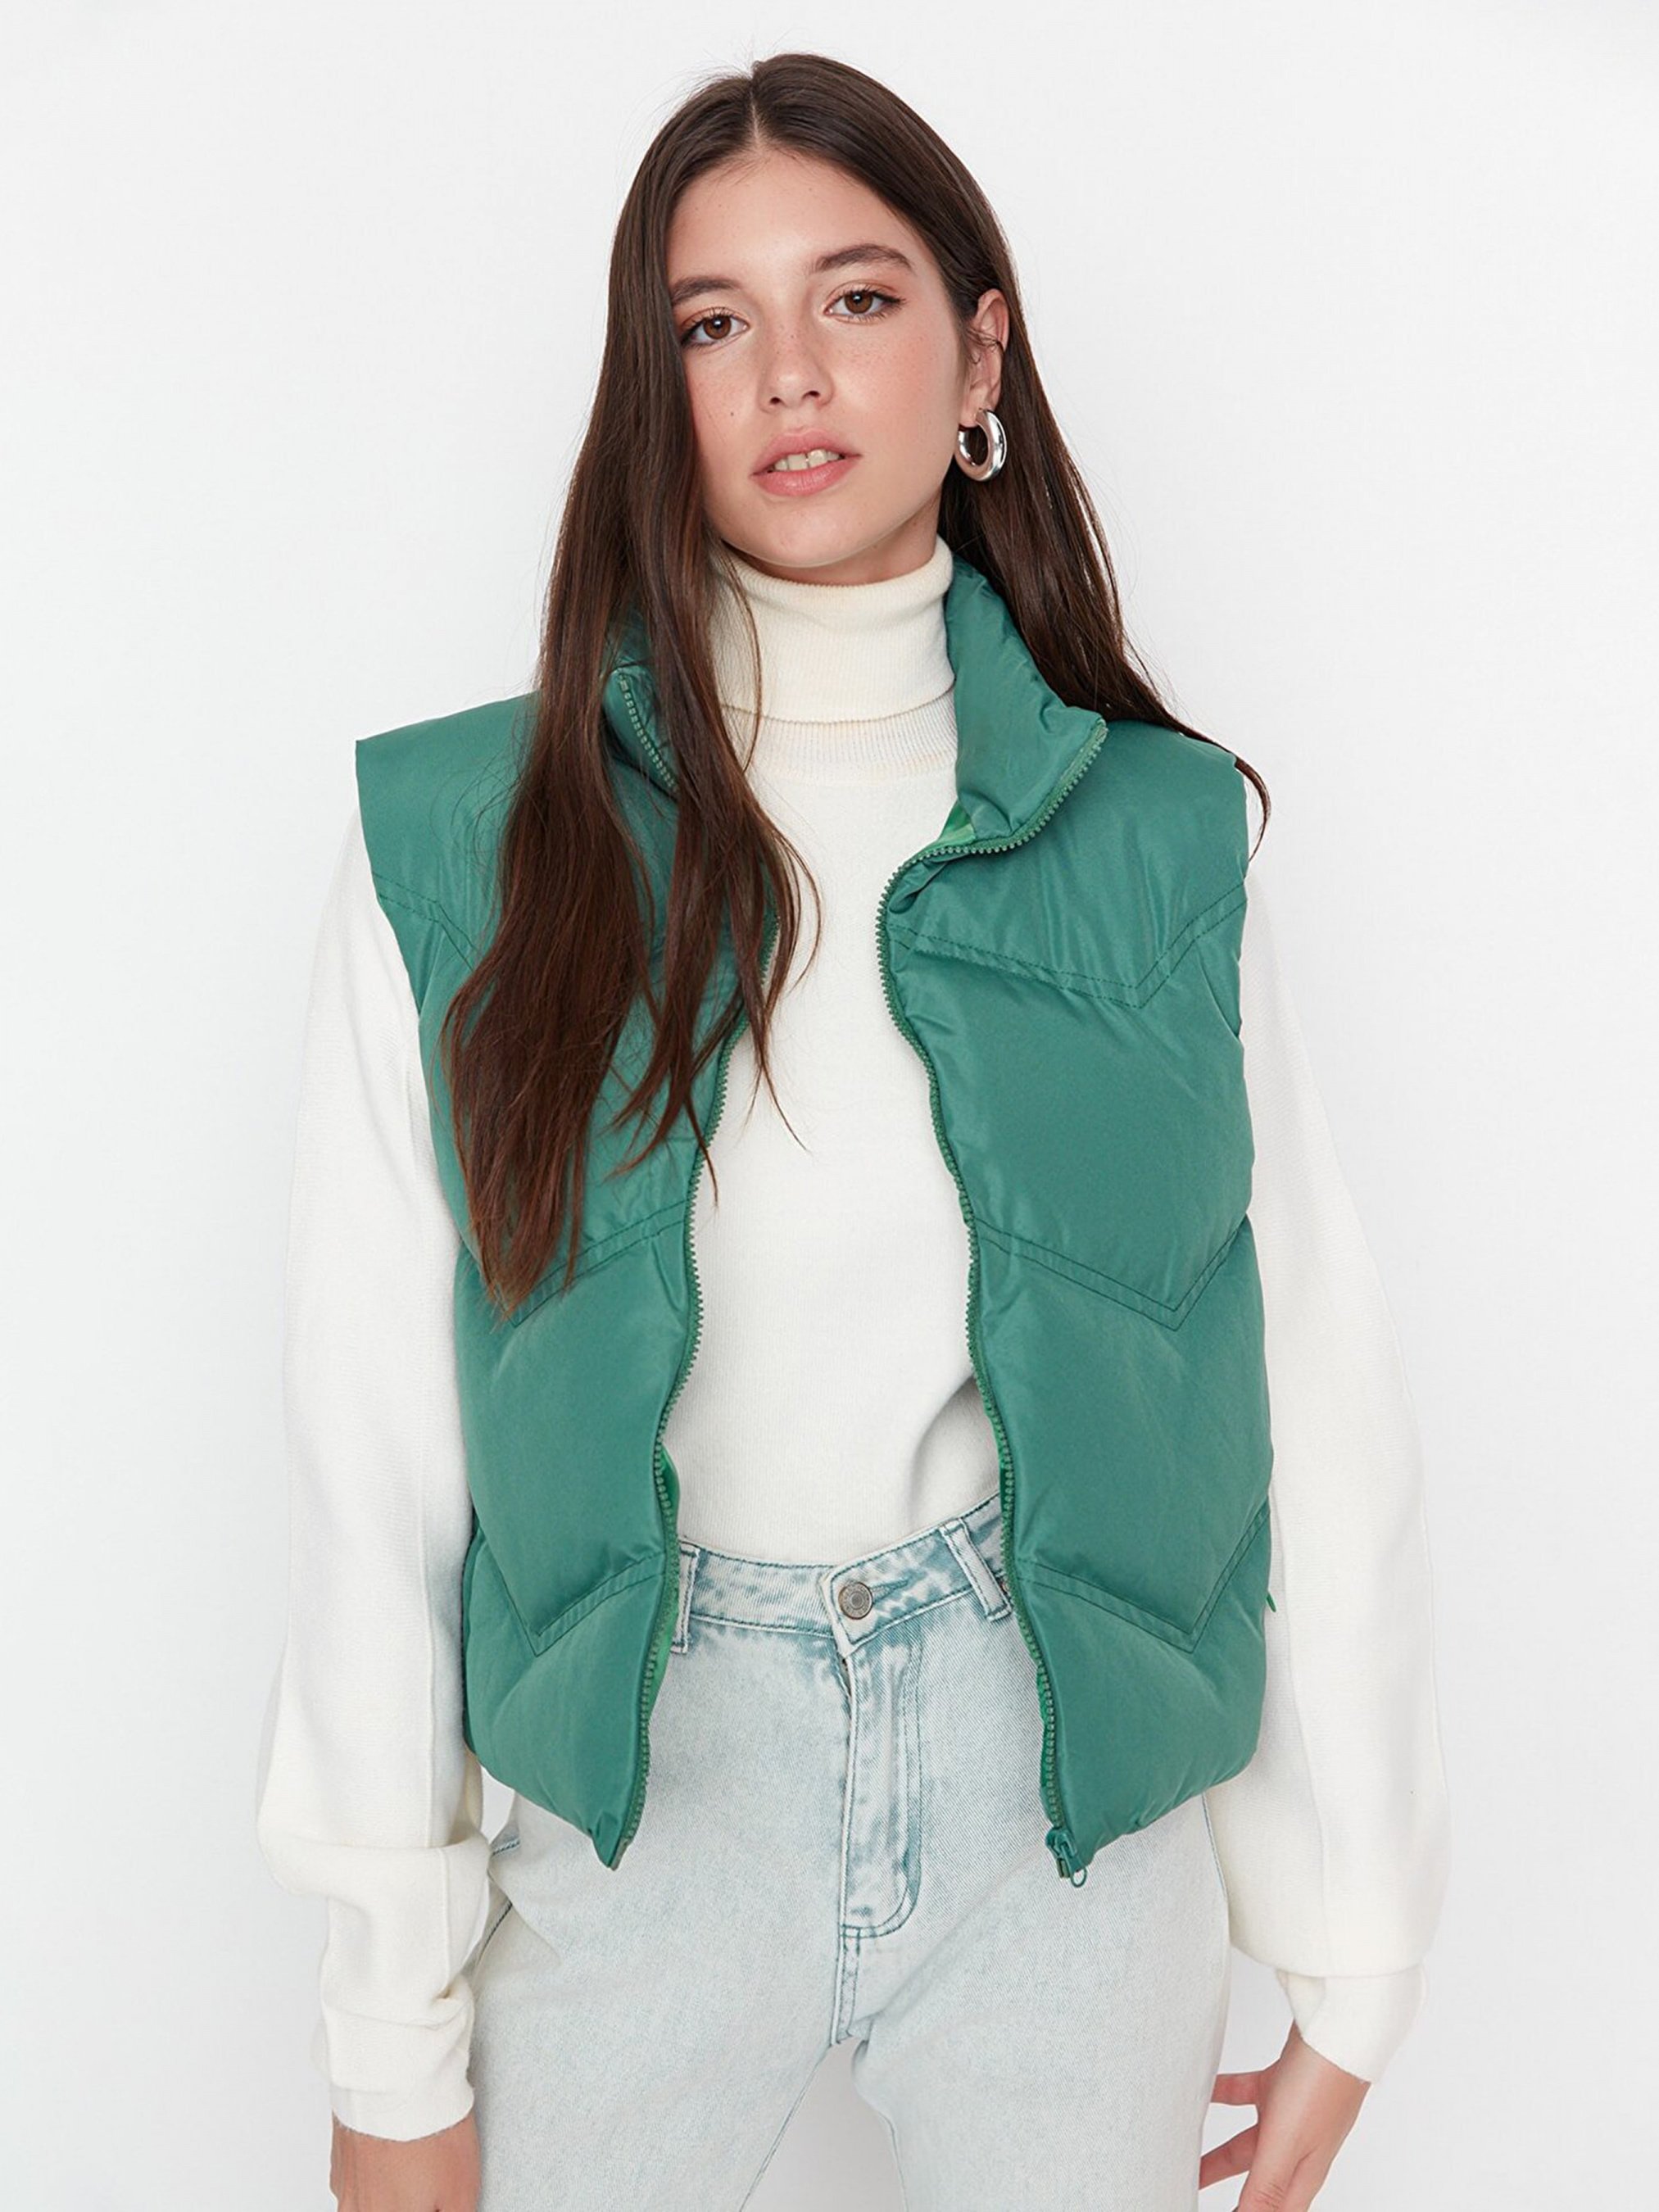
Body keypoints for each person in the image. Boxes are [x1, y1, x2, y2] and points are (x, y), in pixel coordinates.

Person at [255, 50, 1451, 2212]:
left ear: (978, 354)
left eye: (860, 299)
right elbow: (379, 1465)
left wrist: (1350, 1937)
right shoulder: (465, 837)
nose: (789, 373)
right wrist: (388, 2039)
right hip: (643, 1793)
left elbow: (1301, 1380)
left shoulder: (1160, 835)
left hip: (1054, 1806)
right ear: (655, 392)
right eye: (712, 322)